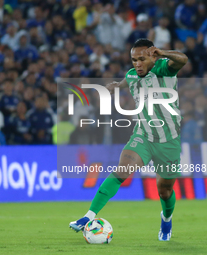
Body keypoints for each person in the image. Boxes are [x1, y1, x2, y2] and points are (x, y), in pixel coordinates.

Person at [69, 39, 188, 242]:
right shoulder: (132, 74)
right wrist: (117, 86)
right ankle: (88, 216)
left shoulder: (164, 69)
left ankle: (166, 219)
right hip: (143, 135)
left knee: (165, 190)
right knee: (121, 170)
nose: (137, 64)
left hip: (168, 140)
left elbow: (183, 59)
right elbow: (128, 80)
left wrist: (164, 53)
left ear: (152, 55)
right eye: (134, 60)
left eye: (141, 59)